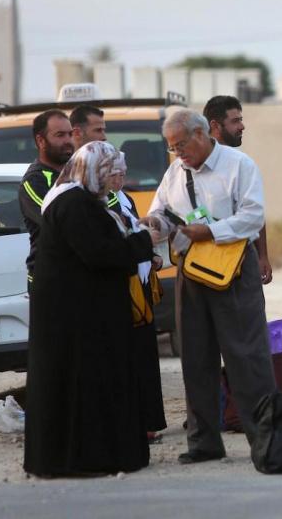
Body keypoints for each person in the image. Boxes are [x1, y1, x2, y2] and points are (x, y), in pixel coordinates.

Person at [142, 109, 276, 465]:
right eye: (172, 148)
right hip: (191, 271)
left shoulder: (238, 165)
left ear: (201, 134)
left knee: (246, 355)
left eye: (181, 145)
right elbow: (163, 211)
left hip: (233, 270)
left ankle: (264, 438)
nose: (178, 154)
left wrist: (211, 232)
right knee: (195, 357)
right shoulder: (175, 172)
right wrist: (152, 224)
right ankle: (203, 441)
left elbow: (252, 216)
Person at [24, 141, 154, 477]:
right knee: (80, 385)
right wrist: (145, 242)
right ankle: (85, 459)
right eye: (110, 173)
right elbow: (100, 253)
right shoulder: (73, 203)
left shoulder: (82, 200)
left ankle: (103, 455)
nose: (115, 181)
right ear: (92, 171)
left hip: (84, 310)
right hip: (73, 317)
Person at [110, 155, 167, 443]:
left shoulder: (126, 199)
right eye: (114, 173)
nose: (120, 178)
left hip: (142, 284)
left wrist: (153, 255)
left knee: (146, 357)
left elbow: (135, 234)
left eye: (123, 173)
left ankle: (149, 420)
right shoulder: (99, 203)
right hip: (123, 287)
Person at [203, 95, 273, 285]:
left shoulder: (241, 163)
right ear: (215, 125)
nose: (242, 127)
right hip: (206, 259)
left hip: (243, 256)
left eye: (241, 120)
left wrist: (262, 256)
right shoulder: (193, 165)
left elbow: (255, 213)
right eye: (235, 121)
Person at [18, 110, 75, 293]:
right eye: (60, 135)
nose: (68, 140)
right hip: (50, 282)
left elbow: (113, 206)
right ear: (41, 141)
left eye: (70, 134)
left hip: (81, 279)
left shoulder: (79, 172)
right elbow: (56, 222)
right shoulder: (34, 181)